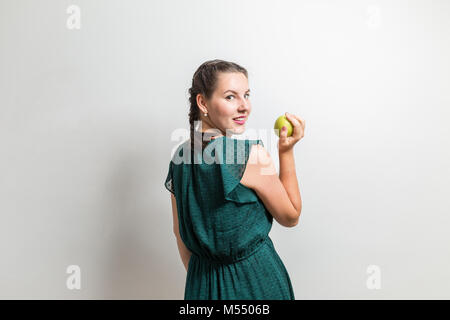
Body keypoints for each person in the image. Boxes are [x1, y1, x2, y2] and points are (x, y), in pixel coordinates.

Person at [164, 59, 305, 299]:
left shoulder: (179, 158)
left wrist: (209, 281)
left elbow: (180, 234)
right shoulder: (249, 156)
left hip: (201, 286)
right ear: (202, 102)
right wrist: (286, 151)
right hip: (255, 283)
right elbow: (291, 216)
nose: (244, 107)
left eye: (246, 95)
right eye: (230, 97)